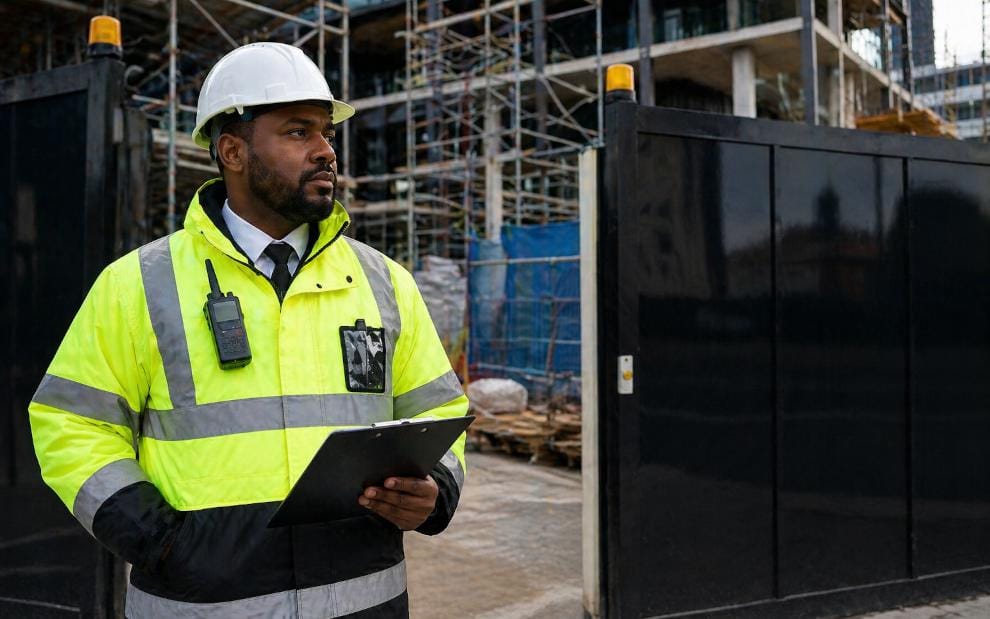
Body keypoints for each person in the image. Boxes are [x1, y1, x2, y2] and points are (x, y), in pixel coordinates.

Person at [28, 42, 468, 618]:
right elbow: (71, 422)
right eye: (297, 132)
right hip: (202, 603)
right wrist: (154, 537)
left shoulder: (384, 282)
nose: (325, 151)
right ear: (232, 151)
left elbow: (440, 413)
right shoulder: (139, 284)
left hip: (364, 602)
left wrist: (433, 491)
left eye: (326, 133)